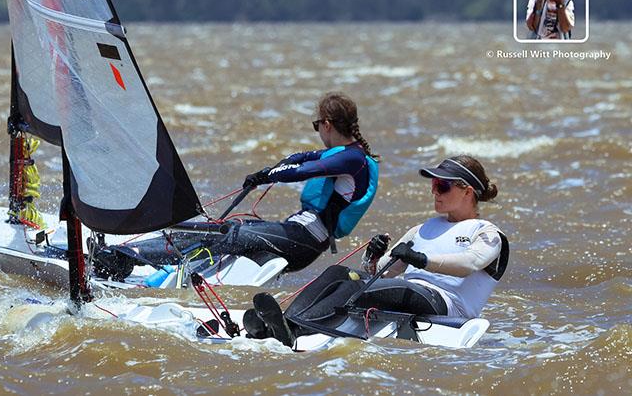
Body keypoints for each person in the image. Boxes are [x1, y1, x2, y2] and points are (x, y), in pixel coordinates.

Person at [96, 92, 380, 279]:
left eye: (317, 125)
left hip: (305, 240)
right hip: (298, 233)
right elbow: (302, 158)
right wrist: (267, 171)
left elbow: (308, 169)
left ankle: (129, 260)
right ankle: (132, 252)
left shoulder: (353, 160)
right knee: (224, 229)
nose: (317, 131)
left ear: (327, 124)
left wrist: (271, 176)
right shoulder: (346, 155)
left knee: (226, 236)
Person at [243, 155, 509, 347]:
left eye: (442, 186)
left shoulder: (487, 234)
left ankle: (295, 330)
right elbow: (384, 270)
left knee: (364, 289)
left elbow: (469, 263)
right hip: (409, 291)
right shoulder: (422, 229)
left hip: (446, 305)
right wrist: (373, 257)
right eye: (433, 185)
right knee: (340, 273)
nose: (434, 192)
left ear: (467, 191)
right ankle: (284, 323)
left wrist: (421, 259)